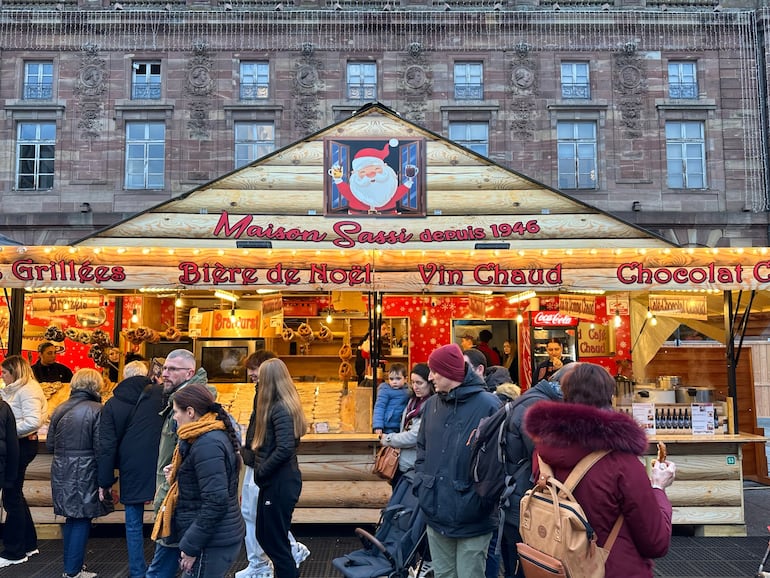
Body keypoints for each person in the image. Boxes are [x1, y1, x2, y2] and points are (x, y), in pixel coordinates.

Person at [524, 362, 675, 578]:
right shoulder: (622, 462)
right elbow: (656, 542)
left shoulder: (542, 453)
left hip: (559, 566)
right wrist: (658, 488)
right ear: (609, 395)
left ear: (564, 394)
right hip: (612, 569)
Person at [415, 343, 500, 578]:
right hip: (436, 510)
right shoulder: (431, 405)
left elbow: (497, 464)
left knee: (470, 575)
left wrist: (481, 500)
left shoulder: (489, 405)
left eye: (434, 371)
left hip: (473, 516)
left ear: (450, 373)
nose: (430, 376)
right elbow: (422, 449)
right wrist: (422, 484)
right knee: (443, 575)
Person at [152, 382, 245, 578]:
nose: (174, 417)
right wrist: (178, 475)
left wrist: (191, 547)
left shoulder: (207, 444)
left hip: (212, 541)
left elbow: (215, 501)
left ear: (191, 412)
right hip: (214, 537)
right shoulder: (203, 438)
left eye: (176, 412)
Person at [236, 351, 310, 578]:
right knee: (266, 535)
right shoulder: (276, 404)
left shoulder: (280, 408)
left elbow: (285, 448)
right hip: (274, 480)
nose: (253, 377)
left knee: (274, 541)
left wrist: (261, 470)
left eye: (259, 375)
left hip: (278, 482)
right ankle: (285, 561)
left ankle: (289, 562)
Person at [498, 364, 568, 578]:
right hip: (525, 500)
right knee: (526, 562)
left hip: (513, 495)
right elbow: (546, 457)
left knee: (516, 559)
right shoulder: (539, 408)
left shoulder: (532, 400)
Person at [146, 348, 211, 578]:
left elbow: (198, 453)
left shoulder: (190, 407)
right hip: (172, 492)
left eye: (172, 369)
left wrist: (177, 475)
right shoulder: (180, 400)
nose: (165, 373)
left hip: (177, 497)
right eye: (164, 368)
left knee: (161, 567)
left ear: (189, 372)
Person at [97, 360, 164, 578]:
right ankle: (163, 568)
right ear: (146, 375)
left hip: (130, 465)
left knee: (133, 521)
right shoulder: (161, 396)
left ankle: (137, 571)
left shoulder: (112, 404)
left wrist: (105, 482)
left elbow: (106, 446)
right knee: (166, 515)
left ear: (124, 377)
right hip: (162, 462)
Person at [47, 368, 113, 578]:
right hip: (85, 469)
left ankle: (72, 567)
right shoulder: (98, 409)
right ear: (96, 386)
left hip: (61, 468)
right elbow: (100, 447)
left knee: (71, 518)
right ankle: (73, 571)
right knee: (82, 518)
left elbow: (50, 445)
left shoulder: (59, 408)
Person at [0, 355, 47, 568]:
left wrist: (6, 432)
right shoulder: (14, 389)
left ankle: (14, 551)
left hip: (22, 446)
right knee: (15, 494)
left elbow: (33, 421)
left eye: (5, 372)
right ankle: (28, 544)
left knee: (11, 495)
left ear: (15, 372)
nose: (2, 375)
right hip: (18, 445)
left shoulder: (28, 390)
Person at [379, 362, 434, 488]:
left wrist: (389, 438)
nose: (415, 387)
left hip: (415, 465)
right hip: (402, 462)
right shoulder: (412, 401)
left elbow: (415, 436)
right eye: (413, 382)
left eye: (419, 383)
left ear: (429, 383)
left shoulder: (430, 405)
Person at [372, 362, 410, 435]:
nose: (394, 382)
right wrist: (378, 426)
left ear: (405, 379)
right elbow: (379, 407)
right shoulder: (385, 390)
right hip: (388, 426)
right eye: (391, 379)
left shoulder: (409, 391)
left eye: (398, 379)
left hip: (403, 426)